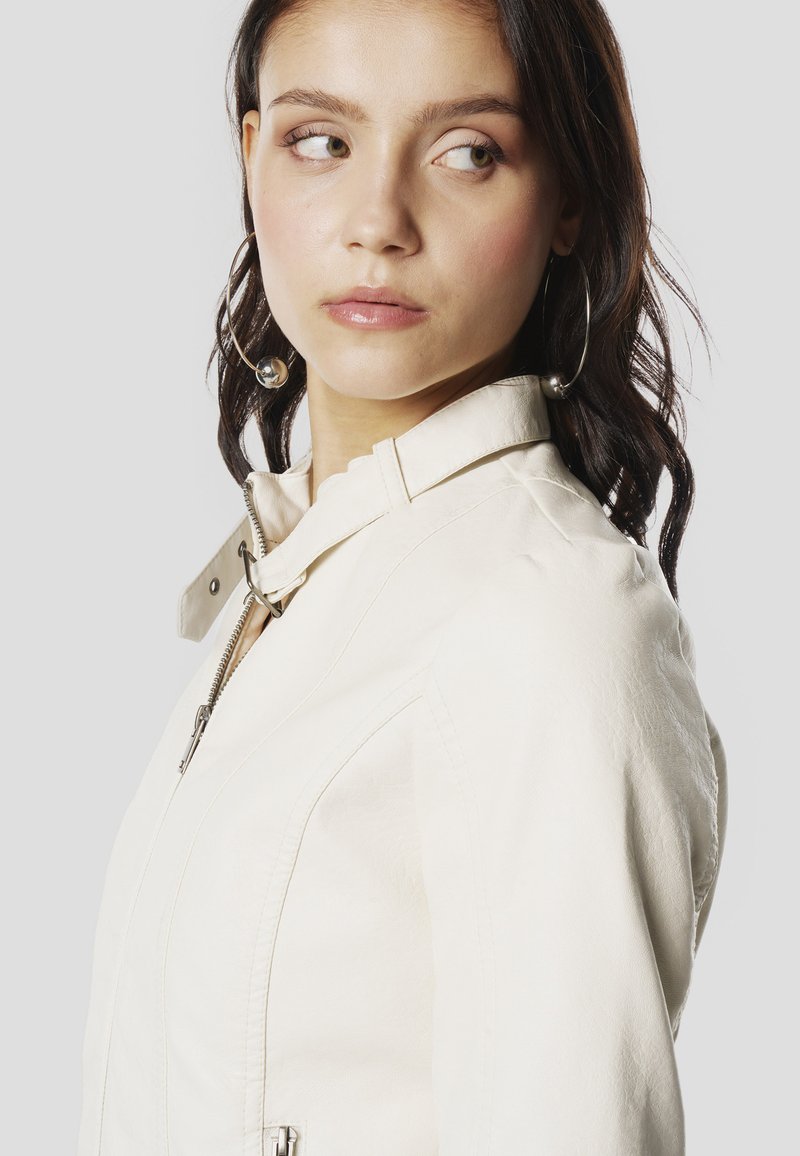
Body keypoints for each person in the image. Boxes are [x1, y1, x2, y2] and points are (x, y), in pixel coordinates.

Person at [76, 0, 728, 1153]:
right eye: (320, 140)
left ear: (567, 198)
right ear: (250, 156)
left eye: (467, 152)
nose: (377, 221)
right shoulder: (307, 566)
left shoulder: (548, 614)